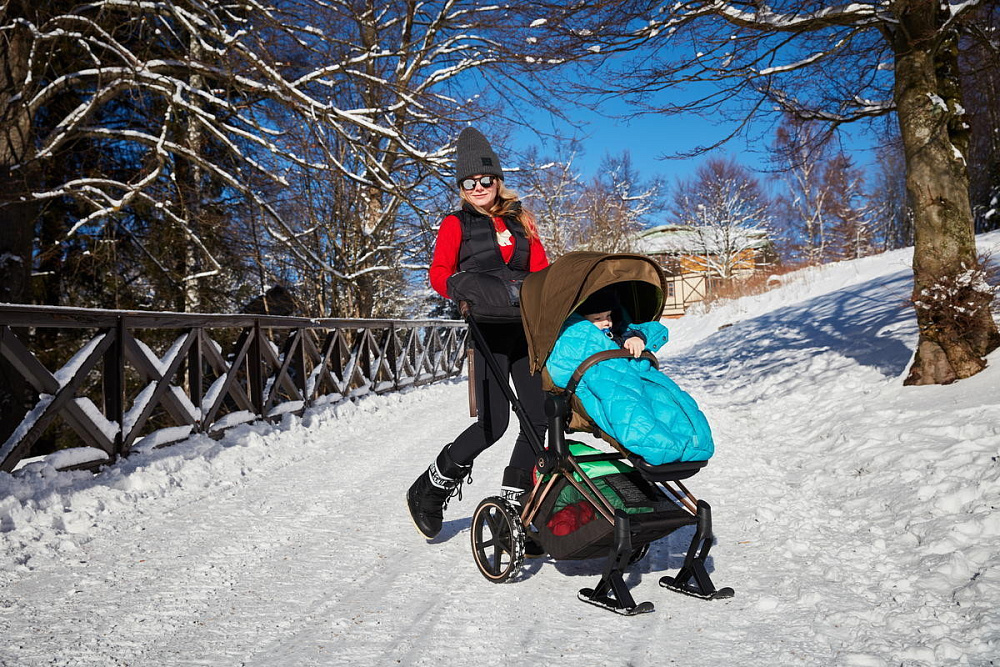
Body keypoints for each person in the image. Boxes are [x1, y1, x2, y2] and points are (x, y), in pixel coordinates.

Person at [406, 126, 549, 541]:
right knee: (493, 423)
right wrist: (461, 289)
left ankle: (516, 506)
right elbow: (439, 272)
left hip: (525, 331)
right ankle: (430, 488)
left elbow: (541, 272)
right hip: (487, 331)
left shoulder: (522, 221)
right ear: (462, 188)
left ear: (497, 179)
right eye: (469, 182)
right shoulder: (456, 223)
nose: (478, 187)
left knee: (537, 418)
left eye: (485, 179)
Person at [546, 285, 716, 465]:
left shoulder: (620, 332)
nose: (606, 322)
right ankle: (659, 445)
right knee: (627, 406)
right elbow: (561, 368)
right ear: (582, 319)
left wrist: (638, 337)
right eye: (598, 318)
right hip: (604, 377)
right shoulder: (574, 335)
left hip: (640, 377)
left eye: (608, 316)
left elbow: (656, 329)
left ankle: (691, 441)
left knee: (667, 400)